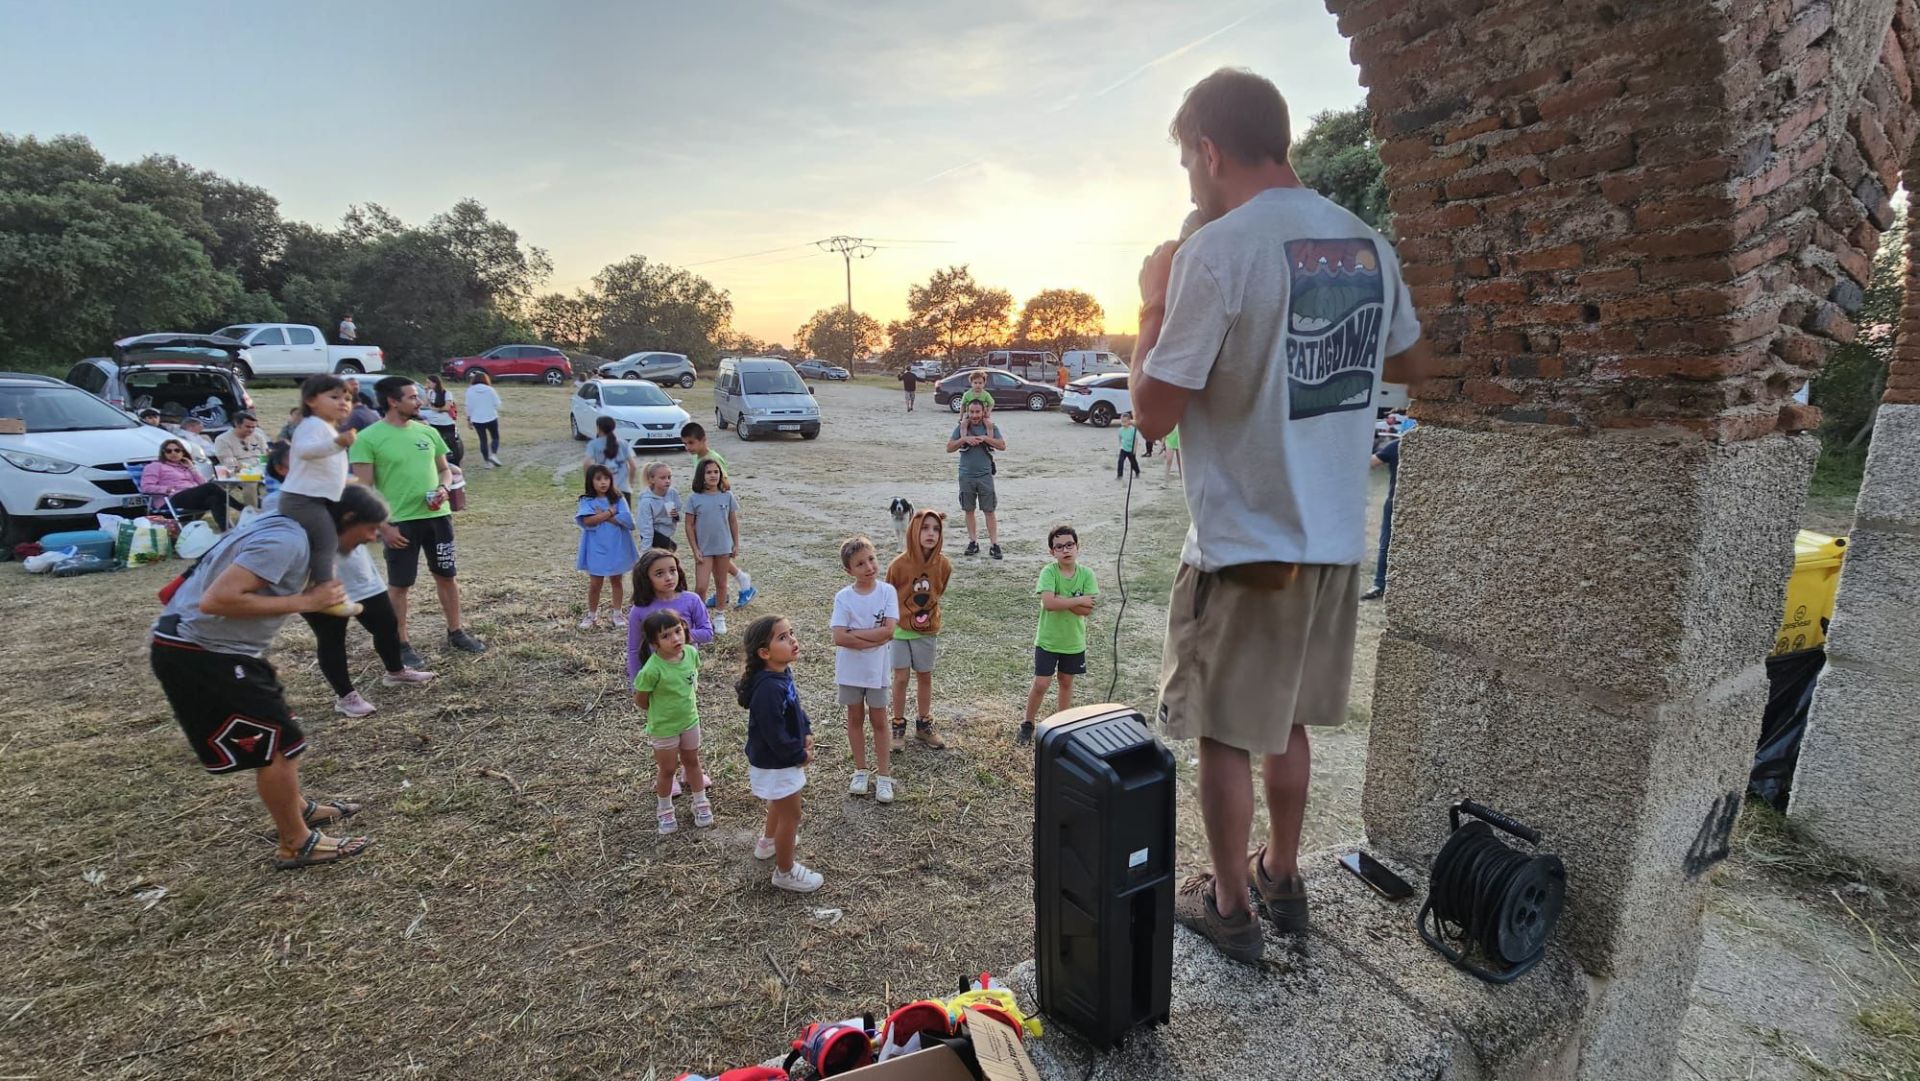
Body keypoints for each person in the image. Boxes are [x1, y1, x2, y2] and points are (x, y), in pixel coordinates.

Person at [1132, 68, 1431, 962]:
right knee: (1287, 722)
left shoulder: (1217, 251)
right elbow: (1411, 361)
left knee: (1227, 730)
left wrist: (1154, 293)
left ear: (1210, 150)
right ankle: (1282, 874)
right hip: (1334, 538)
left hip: (1246, 546)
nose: (1190, 180)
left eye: (1188, 161)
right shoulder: (1366, 242)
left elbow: (1151, 413)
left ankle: (1228, 904)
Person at [149, 485, 389, 869]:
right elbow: (217, 599)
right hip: (201, 654)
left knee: (279, 734)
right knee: (277, 746)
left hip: (219, 651)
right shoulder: (285, 540)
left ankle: (298, 810)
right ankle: (295, 842)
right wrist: (306, 602)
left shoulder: (289, 529)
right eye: (372, 528)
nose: (374, 537)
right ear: (345, 520)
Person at [255, 447, 436, 718]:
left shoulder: (335, 490)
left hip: (360, 574)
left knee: (387, 623)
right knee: (331, 637)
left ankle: (396, 671)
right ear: (282, 470)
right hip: (317, 582)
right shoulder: (279, 503)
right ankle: (345, 696)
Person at [349, 376, 488, 667]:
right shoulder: (368, 438)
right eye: (412, 397)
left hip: (437, 518)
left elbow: (445, 470)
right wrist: (383, 527)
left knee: (447, 576)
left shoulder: (427, 432)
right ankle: (400, 643)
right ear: (392, 401)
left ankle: (456, 632)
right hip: (399, 523)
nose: (420, 401)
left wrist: (442, 488)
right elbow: (363, 490)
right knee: (400, 585)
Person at [739, 614, 821, 893]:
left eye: (792, 633)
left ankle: (769, 841)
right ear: (764, 653)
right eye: (782, 637)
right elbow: (774, 734)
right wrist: (799, 755)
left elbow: (795, 709)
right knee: (792, 815)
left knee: (780, 803)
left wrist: (806, 730)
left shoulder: (780, 674)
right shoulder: (767, 690)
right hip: (777, 762)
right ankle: (785, 872)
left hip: (779, 760)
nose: (793, 640)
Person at [280, 374, 361, 617]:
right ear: (311, 400)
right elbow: (305, 452)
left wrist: (348, 481)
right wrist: (338, 443)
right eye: (335, 397)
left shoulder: (326, 427)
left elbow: (326, 467)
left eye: (347, 398)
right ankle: (326, 595)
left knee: (321, 544)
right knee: (327, 542)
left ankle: (315, 587)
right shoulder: (313, 424)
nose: (343, 403)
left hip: (313, 498)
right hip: (303, 499)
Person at [832, 535, 900, 803]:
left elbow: (890, 631)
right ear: (849, 570)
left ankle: (883, 775)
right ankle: (860, 771)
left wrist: (856, 635)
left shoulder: (887, 592)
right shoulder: (843, 597)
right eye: (860, 564)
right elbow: (839, 637)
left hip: (877, 671)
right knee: (855, 719)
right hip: (850, 671)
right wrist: (875, 635)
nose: (869, 567)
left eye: (871, 559)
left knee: (880, 721)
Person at [634, 610, 712, 835]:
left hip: (690, 721)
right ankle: (665, 808)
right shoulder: (651, 670)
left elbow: (692, 679)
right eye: (666, 636)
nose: (676, 639)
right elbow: (641, 700)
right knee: (667, 769)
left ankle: (700, 801)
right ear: (653, 643)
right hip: (664, 728)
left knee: (692, 762)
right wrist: (662, 713)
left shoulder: (690, 653)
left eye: (678, 631)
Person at [1020, 524, 1098, 746]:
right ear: (1051, 551)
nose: (1065, 550)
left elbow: (1088, 609)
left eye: (1069, 545)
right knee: (1041, 684)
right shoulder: (1049, 572)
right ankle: (1027, 724)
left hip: (1073, 642)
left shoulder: (1087, 574)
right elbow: (1049, 603)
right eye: (1059, 546)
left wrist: (1062, 600)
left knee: (1065, 682)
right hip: (1048, 640)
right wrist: (1077, 599)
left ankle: (1062, 725)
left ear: (1077, 547)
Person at [887, 509, 951, 754]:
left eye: (935, 529)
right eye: (925, 528)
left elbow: (939, 590)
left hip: (927, 631)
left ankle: (924, 725)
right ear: (914, 530)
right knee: (901, 678)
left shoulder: (944, 565)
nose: (930, 533)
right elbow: (889, 595)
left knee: (925, 676)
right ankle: (897, 725)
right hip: (901, 631)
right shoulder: (898, 565)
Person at [680, 423, 755, 605]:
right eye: (685, 444)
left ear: (703, 440)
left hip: (717, 513)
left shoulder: (712, 458)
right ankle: (738, 580)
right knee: (710, 561)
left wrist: (717, 495)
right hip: (705, 522)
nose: (688, 448)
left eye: (691, 443)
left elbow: (724, 481)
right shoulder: (697, 458)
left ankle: (739, 580)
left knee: (718, 557)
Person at [626, 547, 714, 680]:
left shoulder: (692, 600)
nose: (669, 577)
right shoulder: (639, 609)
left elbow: (707, 633)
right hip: (656, 672)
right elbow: (634, 649)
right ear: (646, 578)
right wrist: (635, 683)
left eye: (673, 571)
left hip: (686, 668)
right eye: (659, 574)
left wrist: (681, 636)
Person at [577, 464, 639, 628]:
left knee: (616, 580)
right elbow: (587, 520)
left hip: (616, 545)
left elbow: (628, 521)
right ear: (591, 481)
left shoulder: (618, 499)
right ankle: (591, 615)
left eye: (606, 478)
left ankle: (617, 613)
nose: (603, 482)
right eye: (598, 479)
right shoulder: (587, 500)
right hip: (596, 547)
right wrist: (610, 513)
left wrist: (605, 515)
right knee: (595, 582)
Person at [684, 457, 740, 635]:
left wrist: (736, 543)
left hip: (723, 547)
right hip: (704, 549)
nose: (713, 475)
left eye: (716, 472)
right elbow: (689, 525)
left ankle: (720, 616)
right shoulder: (694, 498)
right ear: (701, 475)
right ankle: (699, 617)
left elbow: (732, 521)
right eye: (709, 472)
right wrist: (695, 549)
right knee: (701, 586)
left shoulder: (727, 496)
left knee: (721, 583)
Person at [946, 400, 1005, 559]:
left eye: (977, 412)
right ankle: (973, 542)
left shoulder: (990, 427)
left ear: (983, 411)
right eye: (971, 412)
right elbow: (949, 447)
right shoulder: (962, 427)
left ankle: (994, 544)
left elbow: (1002, 445)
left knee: (989, 510)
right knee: (969, 510)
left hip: (985, 476)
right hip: (966, 475)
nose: (974, 415)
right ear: (967, 412)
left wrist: (985, 438)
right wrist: (964, 440)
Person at [140, 438, 235, 530]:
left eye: (177, 450)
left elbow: (202, 483)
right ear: (163, 453)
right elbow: (146, 487)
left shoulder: (185, 466)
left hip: (191, 498)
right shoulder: (155, 466)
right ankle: (240, 507)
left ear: (182, 452)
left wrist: (191, 468)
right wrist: (165, 489)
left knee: (214, 499)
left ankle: (228, 531)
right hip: (172, 499)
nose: (173, 453)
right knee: (211, 486)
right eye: (168, 451)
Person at [585, 416, 641, 508]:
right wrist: (630, 483)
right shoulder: (623, 444)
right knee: (624, 518)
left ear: (599, 428)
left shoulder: (594, 444)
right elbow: (633, 466)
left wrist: (589, 483)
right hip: (623, 489)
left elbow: (587, 464)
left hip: (603, 490)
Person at [420, 375, 463, 467]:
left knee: (452, 443)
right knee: (436, 443)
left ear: (435, 383)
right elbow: (425, 404)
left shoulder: (447, 393)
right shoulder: (431, 392)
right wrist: (426, 392)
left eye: (429, 382)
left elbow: (447, 407)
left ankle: (456, 464)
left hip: (446, 422)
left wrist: (436, 409)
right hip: (434, 422)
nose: (427, 384)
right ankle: (440, 464)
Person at [637, 462, 681, 550]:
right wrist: (646, 551)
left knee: (672, 548)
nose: (667, 481)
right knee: (669, 551)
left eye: (669, 477)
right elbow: (646, 528)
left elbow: (680, 511)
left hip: (667, 533)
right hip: (653, 535)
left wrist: (676, 515)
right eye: (663, 478)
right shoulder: (646, 501)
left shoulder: (672, 493)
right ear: (652, 480)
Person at [465, 370, 502, 467]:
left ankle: (487, 462)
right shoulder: (490, 390)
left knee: (483, 440)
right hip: (491, 417)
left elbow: (468, 407)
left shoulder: (470, 390)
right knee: (495, 437)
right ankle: (493, 454)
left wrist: (469, 420)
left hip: (477, 419)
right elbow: (497, 404)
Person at [1117, 413, 1142, 480]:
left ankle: (1137, 472)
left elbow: (1136, 440)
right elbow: (1119, 437)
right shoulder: (1120, 430)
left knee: (1133, 462)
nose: (1123, 423)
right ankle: (1119, 475)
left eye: (1125, 421)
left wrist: (1134, 449)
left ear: (1129, 421)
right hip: (1123, 448)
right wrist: (1120, 445)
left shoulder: (1132, 430)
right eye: (1122, 421)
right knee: (1120, 461)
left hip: (1131, 449)